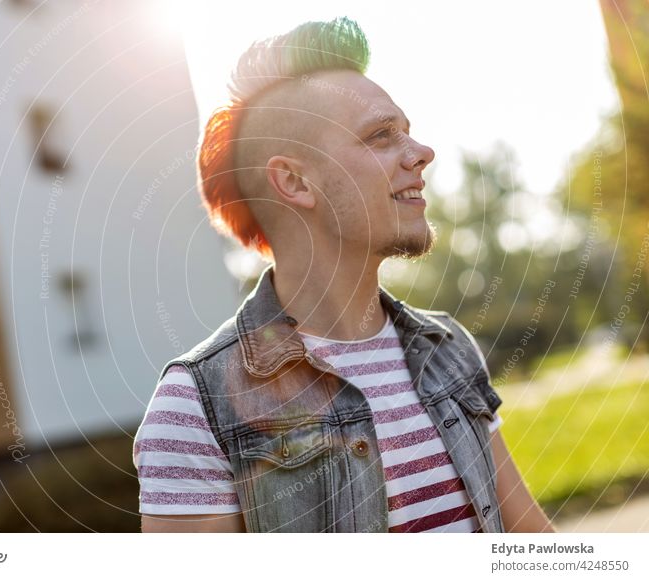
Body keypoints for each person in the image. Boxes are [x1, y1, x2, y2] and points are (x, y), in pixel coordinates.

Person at [133, 17, 555, 533]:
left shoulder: (446, 348)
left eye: (407, 129)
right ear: (294, 181)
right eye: (381, 135)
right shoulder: (194, 408)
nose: (421, 152)